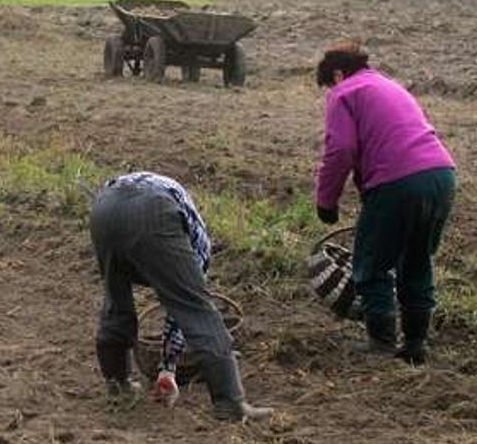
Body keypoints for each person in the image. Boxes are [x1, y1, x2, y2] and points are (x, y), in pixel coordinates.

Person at [314, 39, 456, 366]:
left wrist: (327, 201)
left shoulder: (345, 92)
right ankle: (416, 344)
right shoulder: (388, 85)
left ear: (337, 73)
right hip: (441, 175)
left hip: (398, 182)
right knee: (417, 260)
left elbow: (341, 149)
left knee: (372, 262)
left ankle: (381, 342)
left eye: (327, 84)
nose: (328, 91)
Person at [89, 171, 272, 422]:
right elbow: (183, 308)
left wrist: (167, 370)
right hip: (152, 210)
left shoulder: (180, 219)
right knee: (198, 310)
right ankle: (230, 403)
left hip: (105, 206)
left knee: (116, 297)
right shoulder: (200, 245)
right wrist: (169, 366)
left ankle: (118, 387)